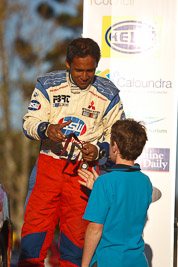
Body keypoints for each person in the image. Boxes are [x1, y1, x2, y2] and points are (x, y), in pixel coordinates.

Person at [18, 37, 125, 267]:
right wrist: (46, 129)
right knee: (35, 230)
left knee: (76, 238)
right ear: (68, 63)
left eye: (90, 70)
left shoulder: (109, 93)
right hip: (49, 165)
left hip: (83, 173)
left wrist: (98, 151)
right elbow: (28, 123)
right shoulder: (48, 84)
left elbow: (117, 136)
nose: (84, 76)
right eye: (78, 70)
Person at [78, 119, 153, 267]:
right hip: (138, 261)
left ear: (115, 147)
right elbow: (126, 206)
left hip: (109, 261)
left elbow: (95, 229)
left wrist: (84, 265)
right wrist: (99, 189)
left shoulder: (105, 182)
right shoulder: (146, 182)